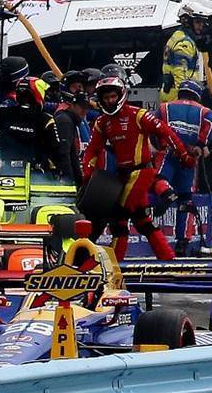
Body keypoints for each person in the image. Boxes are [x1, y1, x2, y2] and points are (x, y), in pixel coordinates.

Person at [80, 76, 190, 260]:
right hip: (122, 177)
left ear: (121, 95)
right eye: (106, 98)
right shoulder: (102, 122)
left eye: (113, 96)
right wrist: (87, 174)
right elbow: (92, 150)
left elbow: (166, 132)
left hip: (142, 172)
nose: (110, 101)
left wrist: (184, 155)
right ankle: (168, 258)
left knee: (119, 217)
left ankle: (115, 263)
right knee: (143, 221)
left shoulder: (138, 115)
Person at [156, 81, 212, 251]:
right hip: (190, 157)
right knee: (186, 198)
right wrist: (201, 144)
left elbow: (153, 125)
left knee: (159, 178)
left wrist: (160, 144)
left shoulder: (164, 107)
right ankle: (182, 242)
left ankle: (167, 193)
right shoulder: (205, 111)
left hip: (169, 152)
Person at [160, 4, 210, 102]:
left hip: (170, 92)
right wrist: (183, 98)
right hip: (178, 96)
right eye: (198, 22)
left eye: (203, 22)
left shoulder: (177, 36)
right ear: (187, 22)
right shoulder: (185, 43)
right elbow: (180, 72)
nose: (201, 26)